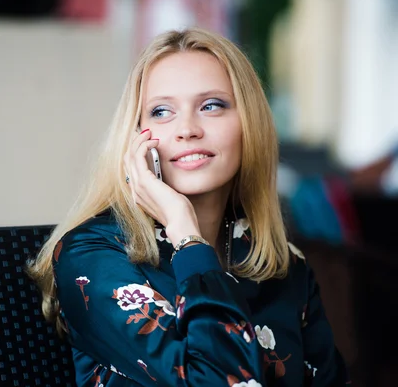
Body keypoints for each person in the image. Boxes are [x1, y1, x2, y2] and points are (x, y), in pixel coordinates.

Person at [27, 27, 350, 386]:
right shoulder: (93, 256)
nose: (187, 129)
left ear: (249, 123)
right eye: (162, 111)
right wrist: (186, 233)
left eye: (211, 105)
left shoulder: (283, 265)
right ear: (135, 136)